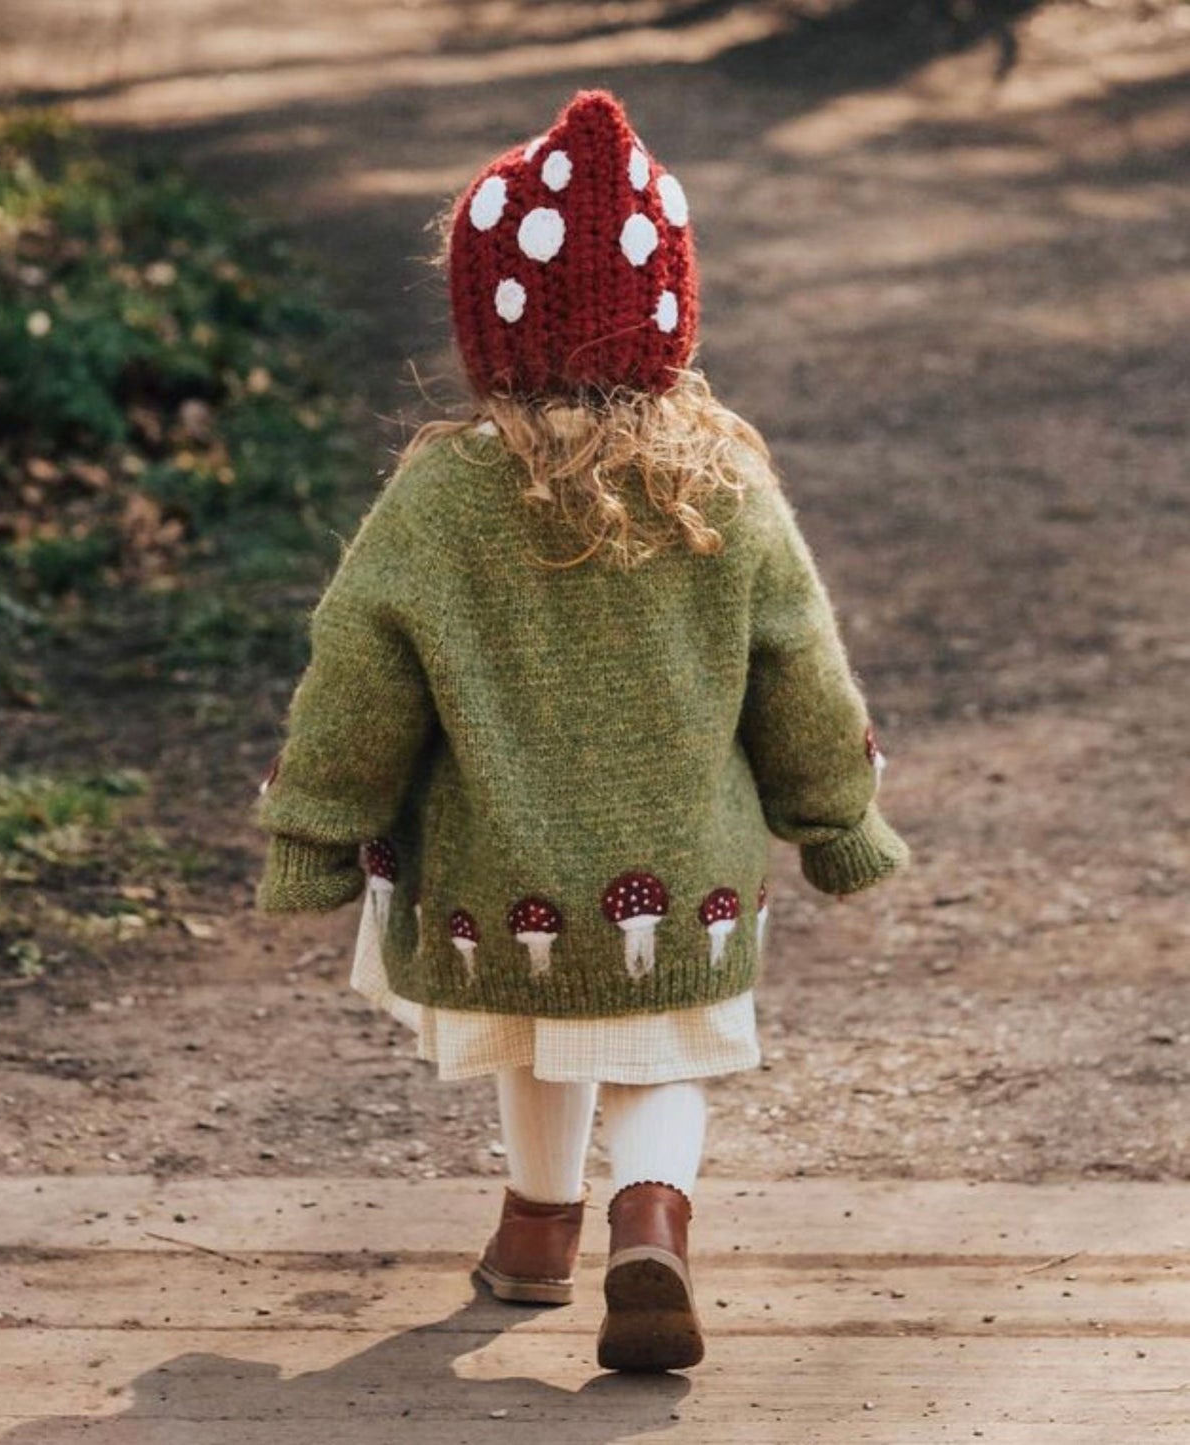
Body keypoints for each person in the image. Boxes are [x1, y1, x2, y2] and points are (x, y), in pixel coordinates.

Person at [255, 89, 909, 1373]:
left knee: (536, 1025)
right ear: (668, 310)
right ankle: (649, 1215)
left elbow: (357, 674)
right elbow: (800, 670)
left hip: (496, 868)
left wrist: (318, 829)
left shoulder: (443, 491)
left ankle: (536, 1234)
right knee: (656, 1050)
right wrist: (835, 818)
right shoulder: (722, 479)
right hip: (682, 870)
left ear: (485, 325)